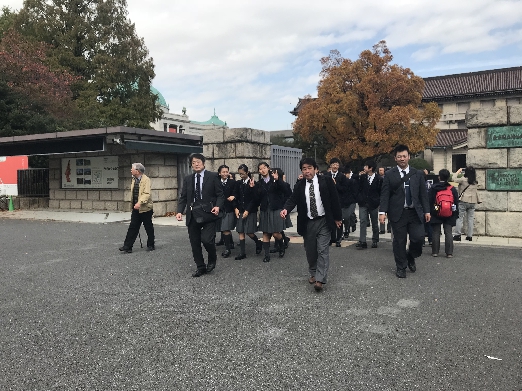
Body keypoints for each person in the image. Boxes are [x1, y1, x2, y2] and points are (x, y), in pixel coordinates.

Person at [280, 157, 342, 292]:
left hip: (324, 221)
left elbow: (335, 199)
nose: (307, 171)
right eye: (304, 169)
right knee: (311, 251)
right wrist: (286, 209)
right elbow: (292, 200)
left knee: (322, 249)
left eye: (309, 168)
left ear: (315, 169)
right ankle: (313, 273)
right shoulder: (300, 185)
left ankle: (320, 279)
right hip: (307, 222)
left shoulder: (326, 182)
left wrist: (337, 218)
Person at [379, 145, 430, 278]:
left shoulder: (417, 174)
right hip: (397, 212)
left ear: (409, 157)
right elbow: (385, 195)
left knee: (418, 238)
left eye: (404, 156)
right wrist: (382, 212)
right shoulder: (389, 175)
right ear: (395, 158)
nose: (402, 159)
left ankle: (411, 256)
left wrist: (427, 211)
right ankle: (400, 266)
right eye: (399, 156)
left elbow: (423, 194)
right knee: (399, 241)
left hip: (414, 212)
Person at [176, 153, 224, 277]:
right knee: (195, 243)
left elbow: (220, 194)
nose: (196, 164)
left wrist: (218, 206)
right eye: (193, 162)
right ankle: (200, 267)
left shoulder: (213, 176)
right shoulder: (188, 179)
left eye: (198, 161)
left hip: (209, 214)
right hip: (193, 214)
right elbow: (183, 197)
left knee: (207, 240)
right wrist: (180, 211)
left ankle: (212, 259)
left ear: (203, 163)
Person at [254, 162, 287, 262]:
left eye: (264, 168)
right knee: (266, 233)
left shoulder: (275, 180)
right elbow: (256, 199)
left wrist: (278, 180)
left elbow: (286, 191)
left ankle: (281, 246)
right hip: (264, 210)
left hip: (275, 209)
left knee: (276, 233)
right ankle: (266, 255)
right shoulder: (259, 183)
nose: (262, 170)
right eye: (260, 169)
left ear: (268, 168)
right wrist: (253, 189)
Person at [119, 163, 155, 253]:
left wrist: (139, 203)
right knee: (133, 226)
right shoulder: (134, 180)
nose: (131, 170)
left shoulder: (146, 180)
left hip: (145, 208)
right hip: (136, 208)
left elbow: (146, 194)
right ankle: (127, 246)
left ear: (137, 171)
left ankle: (151, 244)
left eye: (132, 169)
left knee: (148, 227)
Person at [234, 164, 262, 260]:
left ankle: (258, 242)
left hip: (250, 210)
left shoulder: (254, 183)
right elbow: (236, 197)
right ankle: (242, 253)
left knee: (249, 231)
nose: (241, 176)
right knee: (240, 230)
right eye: (239, 174)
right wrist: (236, 208)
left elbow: (255, 199)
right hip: (240, 209)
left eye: (242, 174)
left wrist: (248, 210)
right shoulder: (238, 184)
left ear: (247, 172)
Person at [429, 169, 459, 258]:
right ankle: (449, 253)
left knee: (436, 232)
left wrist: (435, 209)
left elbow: (430, 200)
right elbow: (456, 202)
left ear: (439, 177)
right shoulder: (452, 188)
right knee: (448, 232)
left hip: (436, 211)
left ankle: (435, 252)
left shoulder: (434, 188)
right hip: (449, 211)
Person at [356, 160, 382, 249]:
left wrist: (378, 201)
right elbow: (359, 188)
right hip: (363, 202)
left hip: (373, 203)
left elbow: (380, 192)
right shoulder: (362, 177)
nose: (364, 168)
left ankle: (375, 240)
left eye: (366, 166)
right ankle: (362, 241)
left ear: (371, 168)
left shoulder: (379, 179)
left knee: (374, 222)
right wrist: (359, 198)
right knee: (363, 221)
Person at [452, 166, 480, 242]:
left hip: (463, 201)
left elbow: (453, 179)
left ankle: (457, 235)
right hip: (473, 202)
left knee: (459, 218)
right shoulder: (475, 182)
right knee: (470, 219)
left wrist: (458, 171)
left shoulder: (463, 180)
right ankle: (469, 236)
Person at [326, 158, 349, 247]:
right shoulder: (326, 175)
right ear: (330, 166)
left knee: (339, 220)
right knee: (330, 220)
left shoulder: (342, 176)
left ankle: (339, 238)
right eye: (333, 164)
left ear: (339, 166)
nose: (335, 166)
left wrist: (336, 185)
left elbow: (345, 189)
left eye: (336, 164)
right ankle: (331, 238)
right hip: (329, 202)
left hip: (339, 202)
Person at [215, 165, 237, 258]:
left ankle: (227, 249)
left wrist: (234, 196)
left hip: (229, 208)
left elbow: (237, 192)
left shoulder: (232, 182)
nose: (225, 174)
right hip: (219, 208)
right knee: (223, 227)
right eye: (223, 172)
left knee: (225, 228)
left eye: (226, 172)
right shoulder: (215, 182)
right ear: (219, 173)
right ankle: (230, 243)